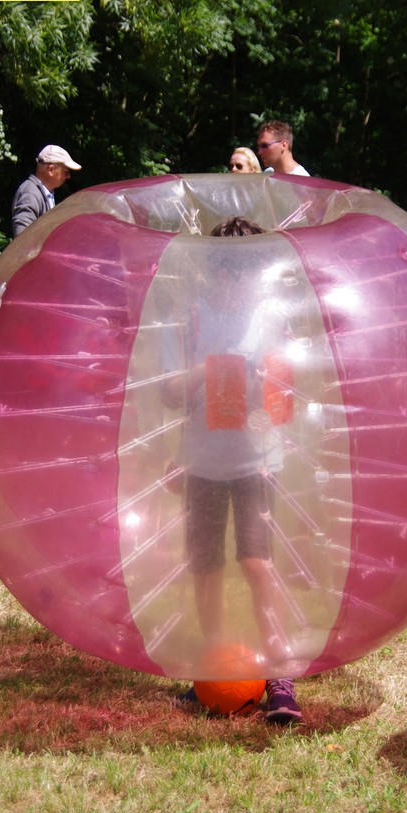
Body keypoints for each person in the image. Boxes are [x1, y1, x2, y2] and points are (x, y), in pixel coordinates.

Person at [166, 216, 302, 725]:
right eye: (235, 270)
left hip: (255, 459)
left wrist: (268, 385)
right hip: (202, 459)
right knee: (204, 566)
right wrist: (208, 370)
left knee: (255, 561)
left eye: (252, 270)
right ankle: (216, 668)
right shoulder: (193, 318)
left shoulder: (273, 317)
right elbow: (168, 393)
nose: (244, 281)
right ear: (219, 271)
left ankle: (281, 676)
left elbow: (288, 395)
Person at [11, 144, 82, 237]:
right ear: (51, 170)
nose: (68, 177)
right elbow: (22, 237)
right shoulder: (30, 193)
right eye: (66, 172)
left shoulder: (44, 193)